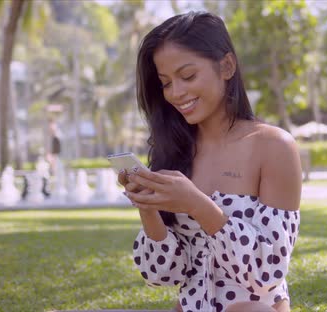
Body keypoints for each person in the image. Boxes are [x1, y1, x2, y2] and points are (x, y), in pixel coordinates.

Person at [118, 11, 302, 312]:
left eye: (187, 76)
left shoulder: (273, 146)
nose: (176, 93)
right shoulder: (175, 151)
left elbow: (265, 274)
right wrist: (148, 208)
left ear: (226, 66)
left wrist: (197, 204)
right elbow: (162, 275)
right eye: (165, 83)